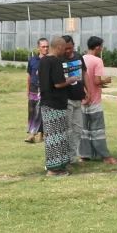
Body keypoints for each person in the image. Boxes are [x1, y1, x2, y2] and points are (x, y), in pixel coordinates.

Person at [38, 36, 78, 176]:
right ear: (59, 47)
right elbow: (58, 83)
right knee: (56, 137)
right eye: (64, 47)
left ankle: (58, 166)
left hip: (46, 103)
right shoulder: (55, 61)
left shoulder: (43, 61)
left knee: (55, 136)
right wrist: (71, 79)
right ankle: (53, 169)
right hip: (55, 104)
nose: (64, 51)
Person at [80, 36, 116, 163]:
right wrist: (106, 80)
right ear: (97, 47)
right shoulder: (97, 61)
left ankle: (84, 154)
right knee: (97, 129)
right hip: (94, 99)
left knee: (84, 129)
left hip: (82, 99)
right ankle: (104, 155)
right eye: (101, 46)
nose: (102, 48)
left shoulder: (81, 58)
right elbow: (96, 81)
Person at [61, 35, 87, 164]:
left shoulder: (78, 56)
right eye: (65, 49)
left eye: (70, 48)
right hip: (66, 99)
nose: (68, 51)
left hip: (78, 98)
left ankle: (72, 157)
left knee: (78, 129)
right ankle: (64, 157)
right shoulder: (58, 59)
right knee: (67, 129)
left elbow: (84, 73)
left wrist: (87, 90)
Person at [25, 38, 47, 143]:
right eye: (43, 46)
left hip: (45, 90)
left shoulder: (50, 60)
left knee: (41, 112)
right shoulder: (32, 60)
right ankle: (36, 133)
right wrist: (27, 89)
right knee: (32, 111)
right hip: (33, 89)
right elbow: (29, 75)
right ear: (38, 48)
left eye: (47, 46)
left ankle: (33, 134)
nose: (46, 48)